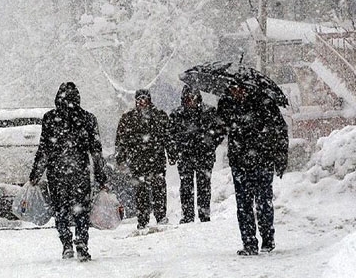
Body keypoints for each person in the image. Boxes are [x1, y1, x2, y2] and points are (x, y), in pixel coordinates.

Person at [29, 82, 108, 262]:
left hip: (57, 173)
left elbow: (44, 150)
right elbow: (96, 152)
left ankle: (66, 244)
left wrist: (35, 174)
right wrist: (101, 177)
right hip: (80, 172)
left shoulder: (50, 118)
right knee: (81, 210)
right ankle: (81, 242)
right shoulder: (88, 118)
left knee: (61, 210)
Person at [217, 83, 288, 256]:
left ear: (247, 88)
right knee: (243, 205)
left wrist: (280, 157)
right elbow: (218, 129)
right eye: (232, 89)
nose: (236, 92)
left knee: (263, 202)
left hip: (262, 160)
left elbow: (279, 130)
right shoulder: (227, 104)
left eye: (239, 88)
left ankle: (267, 239)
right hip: (240, 162)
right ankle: (249, 242)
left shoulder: (264, 102)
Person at [115, 89, 172, 230]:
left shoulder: (159, 116)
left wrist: (171, 153)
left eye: (144, 98)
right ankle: (142, 218)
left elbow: (168, 137)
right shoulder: (128, 118)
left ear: (149, 99)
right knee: (141, 191)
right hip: (137, 160)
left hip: (156, 159)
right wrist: (120, 157)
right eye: (139, 99)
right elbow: (121, 140)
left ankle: (161, 215)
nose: (142, 102)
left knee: (158, 188)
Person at [169, 86, 224, 224]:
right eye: (188, 98)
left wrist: (210, 144)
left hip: (204, 156)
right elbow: (170, 135)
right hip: (185, 156)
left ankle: (204, 214)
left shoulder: (209, 112)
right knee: (186, 186)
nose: (191, 101)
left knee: (204, 186)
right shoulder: (177, 115)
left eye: (193, 97)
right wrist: (178, 147)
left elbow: (220, 131)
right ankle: (188, 215)